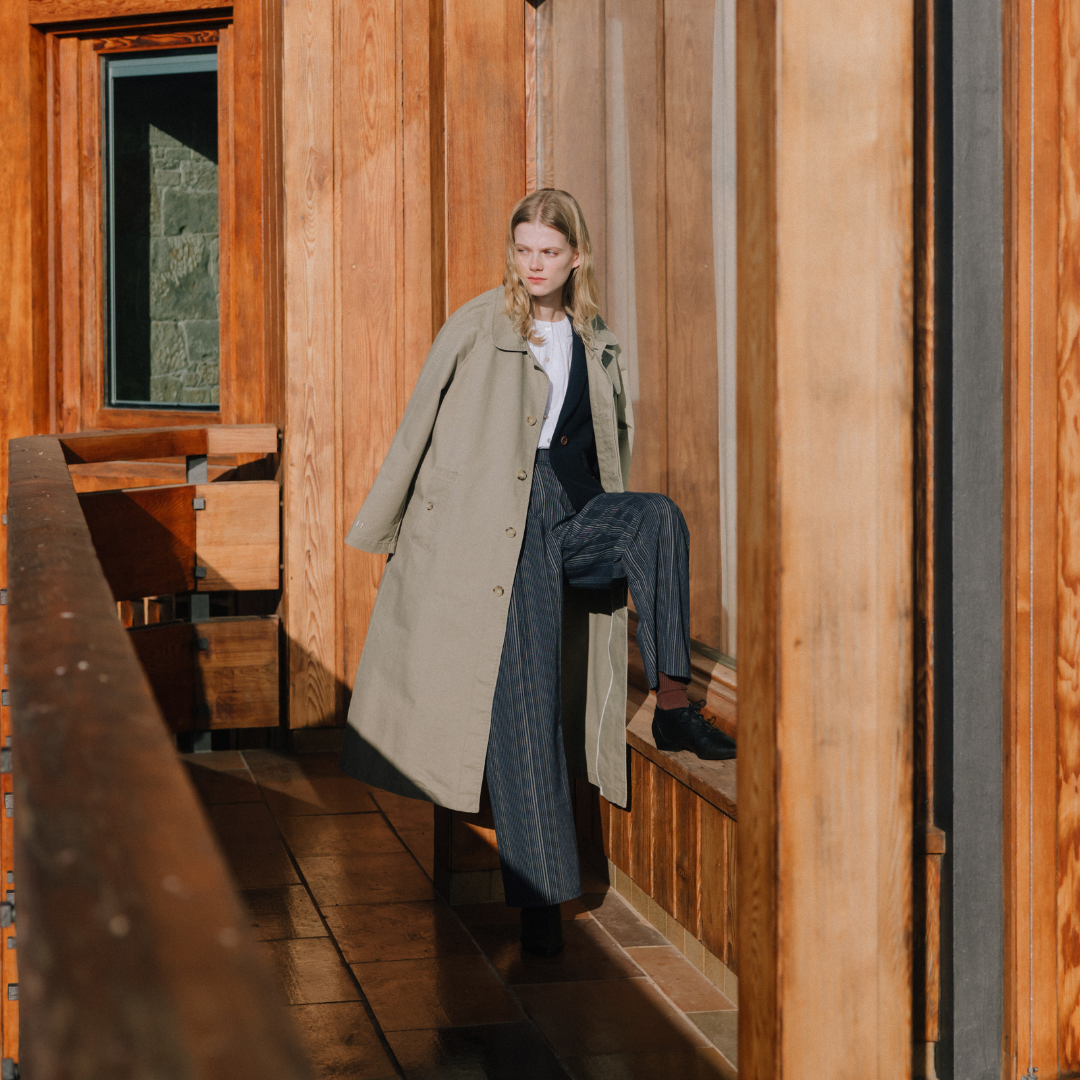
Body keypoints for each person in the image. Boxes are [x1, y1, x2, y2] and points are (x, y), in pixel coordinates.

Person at [340, 189, 735, 957]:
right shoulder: (478, 325)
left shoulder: (595, 337)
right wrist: (395, 533)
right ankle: (542, 904)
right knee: (526, 701)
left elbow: (607, 444)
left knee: (655, 518)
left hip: (569, 516)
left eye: (549, 252)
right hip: (499, 532)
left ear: (576, 257)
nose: (534, 264)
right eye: (523, 250)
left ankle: (673, 703)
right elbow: (417, 426)